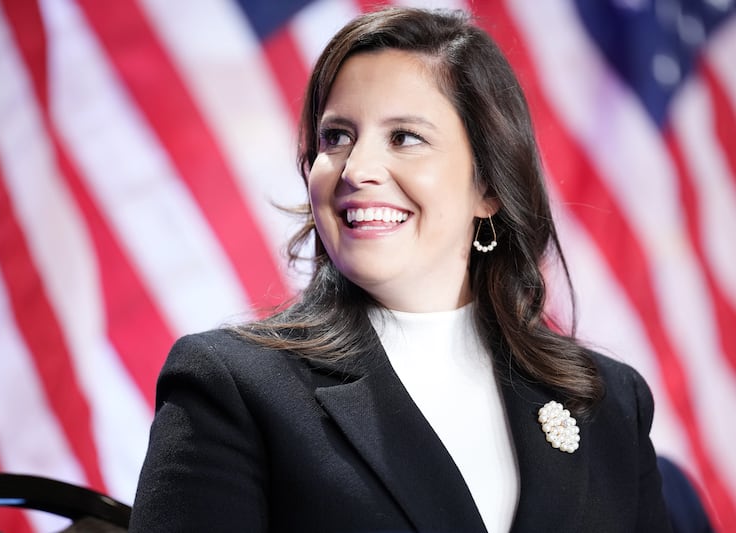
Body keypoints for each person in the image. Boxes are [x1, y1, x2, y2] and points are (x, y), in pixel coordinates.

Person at [129, 7, 672, 532]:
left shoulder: (610, 400)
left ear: (487, 186)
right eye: (336, 137)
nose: (357, 169)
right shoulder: (232, 385)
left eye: (404, 138)